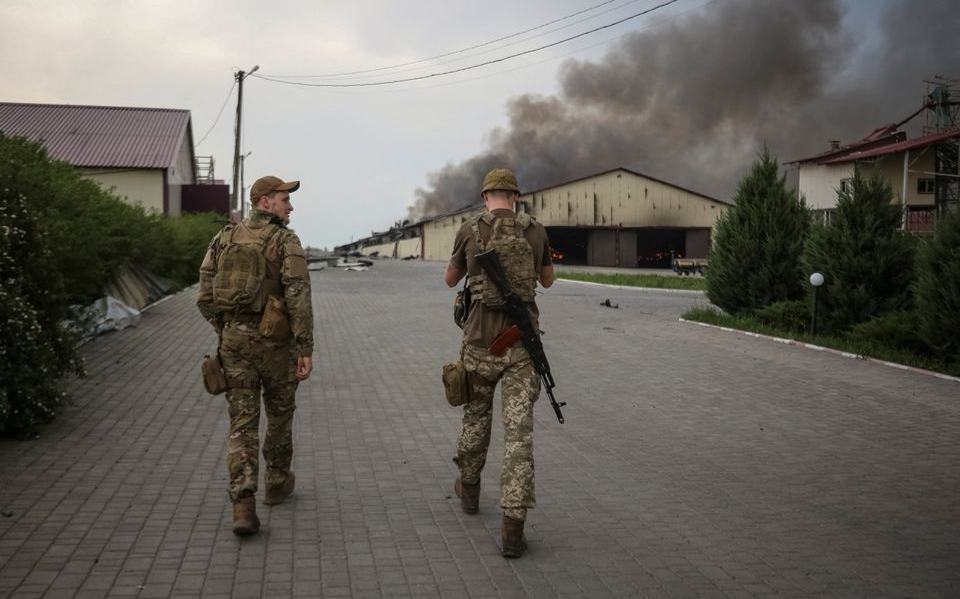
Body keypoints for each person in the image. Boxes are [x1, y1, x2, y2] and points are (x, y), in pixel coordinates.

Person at [444, 168, 555, 558]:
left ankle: (470, 489)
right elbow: (548, 281)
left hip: (478, 345)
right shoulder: (536, 231)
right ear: (516, 196)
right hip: (522, 347)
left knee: (476, 418)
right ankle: (512, 526)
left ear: (486, 194)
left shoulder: (469, 230)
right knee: (518, 435)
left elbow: (449, 278)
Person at [197, 175, 314, 536]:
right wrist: (305, 347)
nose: (290, 206)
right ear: (265, 202)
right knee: (279, 414)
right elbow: (298, 297)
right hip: (276, 346)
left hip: (234, 345)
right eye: (284, 199)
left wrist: (228, 330)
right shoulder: (285, 240)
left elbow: (204, 295)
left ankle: (243, 503)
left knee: (242, 425)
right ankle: (277, 483)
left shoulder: (223, 238)